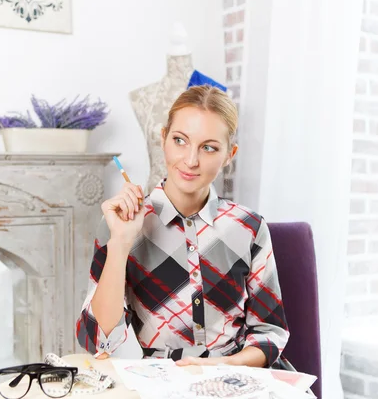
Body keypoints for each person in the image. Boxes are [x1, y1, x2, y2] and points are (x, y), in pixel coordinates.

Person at [75, 85, 293, 370]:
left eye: (209, 147)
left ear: (229, 154)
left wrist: (223, 366)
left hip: (238, 378)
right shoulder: (122, 223)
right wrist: (120, 244)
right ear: (163, 138)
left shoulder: (249, 227)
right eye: (180, 140)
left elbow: (269, 333)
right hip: (162, 382)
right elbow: (96, 339)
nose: (191, 160)